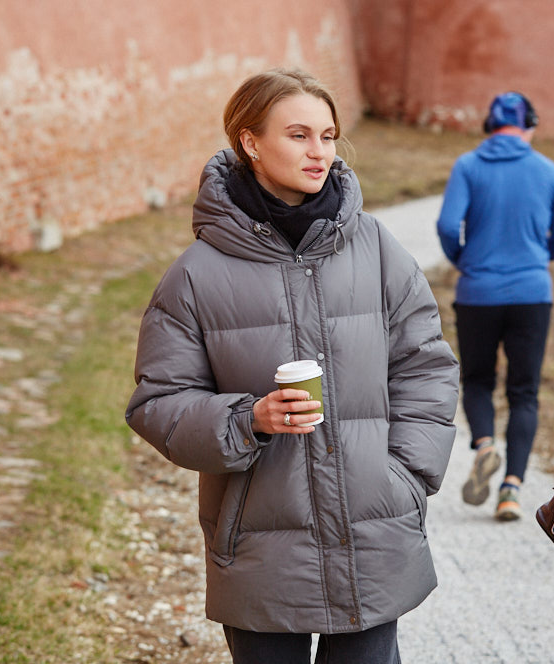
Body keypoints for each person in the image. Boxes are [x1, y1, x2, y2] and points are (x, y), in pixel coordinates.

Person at [125, 68, 458, 663]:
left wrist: (405, 476)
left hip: (371, 531)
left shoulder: (377, 248)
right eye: (299, 135)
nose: (319, 152)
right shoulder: (196, 275)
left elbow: (426, 366)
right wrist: (247, 419)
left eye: (328, 136)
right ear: (250, 143)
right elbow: (158, 403)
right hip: (259, 547)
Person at [435, 91, 554, 521]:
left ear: (488, 126)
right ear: (529, 126)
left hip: (477, 292)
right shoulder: (546, 169)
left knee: (478, 380)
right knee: (524, 392)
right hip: (531, 294)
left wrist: (465, 259)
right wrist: (533, 253)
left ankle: (484, 445)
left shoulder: (468, 166)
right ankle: (512, 490)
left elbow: (446, 224)